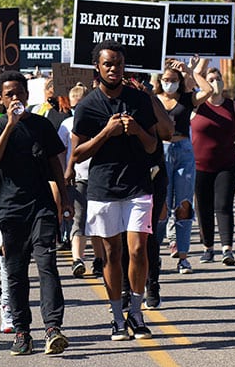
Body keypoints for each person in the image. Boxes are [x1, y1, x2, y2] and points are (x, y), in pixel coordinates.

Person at [71, 40, 172, 341]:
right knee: (112, 255)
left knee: (138, 250)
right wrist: (107, 132)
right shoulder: (88, 105)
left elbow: (154, 143)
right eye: (108, 64)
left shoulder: (139, 100)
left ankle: (137, 314)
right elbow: (77, 154)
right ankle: (117, 317)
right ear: (98, 68)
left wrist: (137, 130)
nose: (114, 69)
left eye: (118, 63)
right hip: (103, 189)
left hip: (138, 185)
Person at [0, 70, 69, 356]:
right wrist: (10, 124)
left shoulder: (42, 126)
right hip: (10, 209)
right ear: (1, 98)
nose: (16, 98)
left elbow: (55, 162)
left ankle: (53, 328)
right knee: (16, 272)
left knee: (47, 262)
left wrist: (64, 197)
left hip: (41, 205)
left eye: (20, 92)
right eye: (9, 94)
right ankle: (22, 331)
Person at [155, 58, 212, 274]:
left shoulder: (187, 99)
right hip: (161, 151)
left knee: (184, 205)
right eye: (166, 79)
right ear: (160, 80)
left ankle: (183, 256)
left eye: (174, 80)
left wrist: (190, 71)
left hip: (184, 151)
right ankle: (155, 254)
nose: (170, 83)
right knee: (161, 206)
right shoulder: (154, 100)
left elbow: (207, 90)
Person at [192, 66, 235, 266]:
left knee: (223, 205)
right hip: (200, 166)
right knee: (203, 208)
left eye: (218, 78)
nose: (215, 82)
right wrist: (198, 67)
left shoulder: (232, 106)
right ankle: (208, 248)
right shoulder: (198, 106)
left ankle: (227, 249)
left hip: (227, 165)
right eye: (211, 79)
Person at [58, 83, 90, 276]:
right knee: (78, 219)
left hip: (97, 176)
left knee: (97, 220)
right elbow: (61, 152)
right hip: (77, 176)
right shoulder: (66, 124)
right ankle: (77, 259)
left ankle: (100, 259)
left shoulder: (98, 121)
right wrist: (64, 173)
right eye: (74, 104)